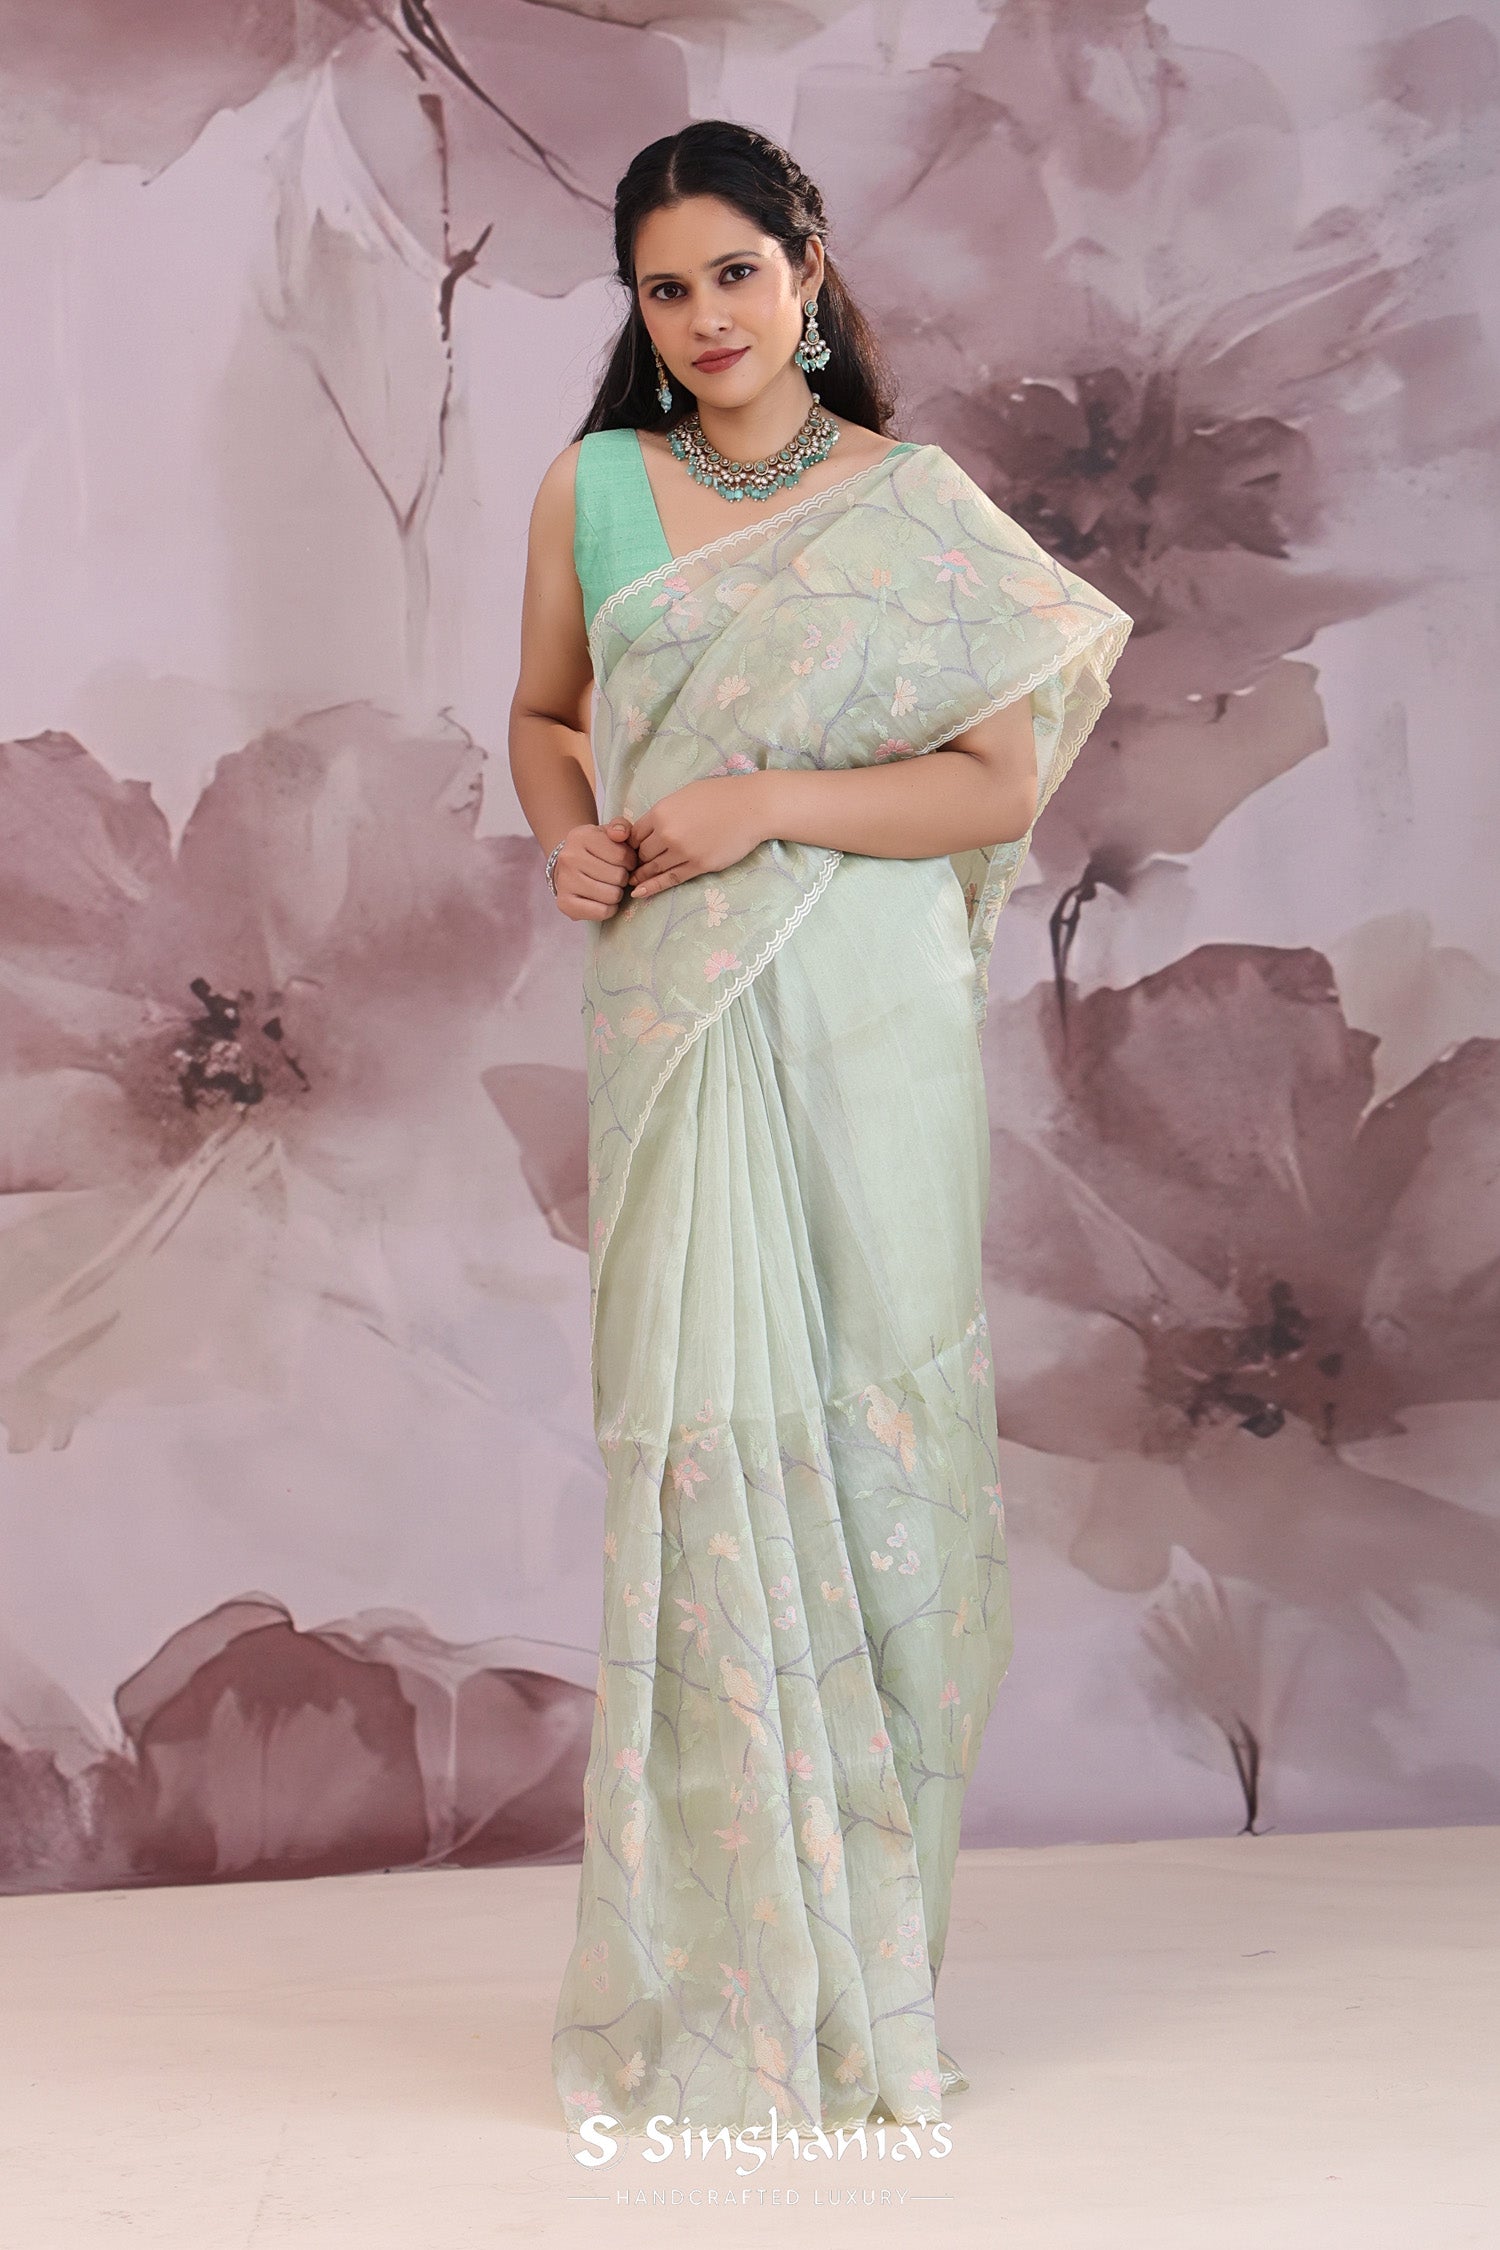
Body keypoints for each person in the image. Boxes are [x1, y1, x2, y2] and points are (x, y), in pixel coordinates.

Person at [508, 119, 1130, 2146]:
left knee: (874, 1456)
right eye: (665, 287)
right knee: (704, 1451)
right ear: (636, 305)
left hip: (867, 1022)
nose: (705, 318)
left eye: (736, 274)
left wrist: (765, 802)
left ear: (808, 269)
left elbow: (990, 784)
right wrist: (572, 839)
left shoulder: (910, 509)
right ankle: (728, 1991)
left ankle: (871, 1977)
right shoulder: (597, 487)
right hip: (680, 1014)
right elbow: (546, 715)